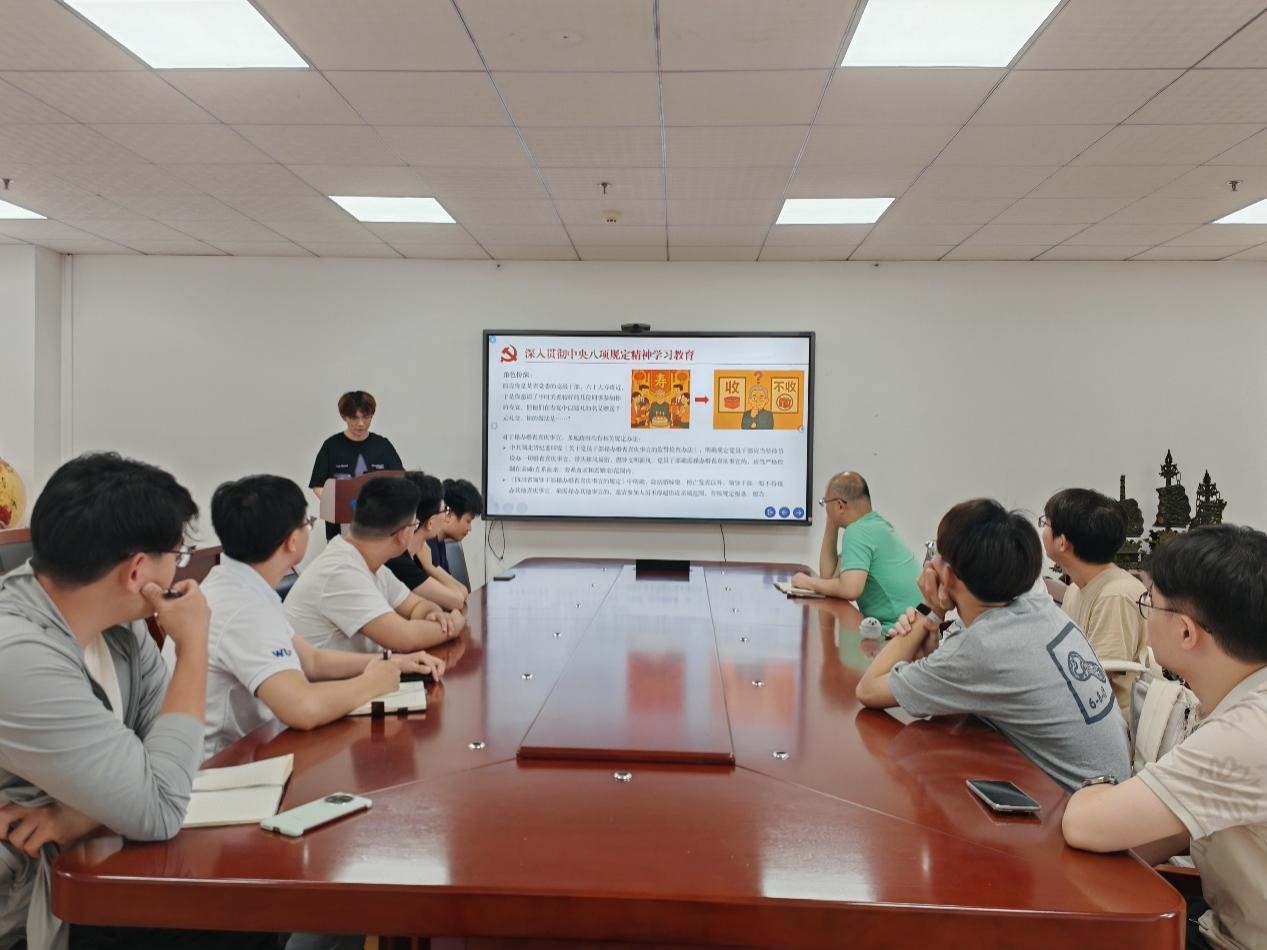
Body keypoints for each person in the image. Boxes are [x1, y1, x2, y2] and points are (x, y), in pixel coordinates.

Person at [0, 453, 273, 950]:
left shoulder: (121, 627)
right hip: (28, 912)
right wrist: (193, 646)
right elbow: (161, 806)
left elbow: (166, 762)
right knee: (236, 925)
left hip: (87, 866)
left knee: (249, 913)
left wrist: (77, 816)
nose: (179, 569)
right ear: (137, 571)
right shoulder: (17, 656)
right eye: (178, 554)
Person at [1063, 525, 1267, 950]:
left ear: (1187, 632)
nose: (1146, 614)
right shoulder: (1243, 703)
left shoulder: (1245, 733)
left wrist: (1097, 790)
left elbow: (1084, 824)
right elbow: (1181, 823)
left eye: (1149, 603)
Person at [855, 498, 1130, 792]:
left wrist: (929, 609)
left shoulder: (983, 647)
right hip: (1115, 787)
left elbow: (867, 689)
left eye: (935, 553)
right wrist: (930, 623)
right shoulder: (1036, 605)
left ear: (947, 574)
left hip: (1077, 806)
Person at [201, 474, 446, 760]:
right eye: (308, 523)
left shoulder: (242, 587)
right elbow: (302, 708)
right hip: (223, 767)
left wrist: (393, 662)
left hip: (258, 747)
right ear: (292, 541)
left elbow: (312, 661)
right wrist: (372, 682)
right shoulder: (241, 608)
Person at [285, 477, 464, 655]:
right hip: (333, 675)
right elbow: (405, 638)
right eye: (414, 524)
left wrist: (433, 614)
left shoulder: (372, 565)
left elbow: (417, 605)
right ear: (403, 534)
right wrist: (454, 624)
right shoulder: (342, 571)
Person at [1042, 488, 1148, 713]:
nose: (1043, 529)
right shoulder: (1076, 588)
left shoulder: (1115, 595)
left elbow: (1096, 680)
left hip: (1116, 723)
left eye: (1046, 523)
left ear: (1062, 542)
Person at [791, 472, 921, 627]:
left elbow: (850, 589)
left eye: (824, 503)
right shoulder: (874, 525)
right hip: (917, 625)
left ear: (840, 505)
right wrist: (831, 524)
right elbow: (829, 578)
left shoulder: (858, 532)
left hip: (900, 629)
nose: (825, 508)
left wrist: (806, 581)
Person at [309, 391, 403, 541]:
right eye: (354, 418)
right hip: (340, 531)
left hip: (379, 529)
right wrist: (341, 503)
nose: (361, 423)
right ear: (344, 416)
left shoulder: (383, 446)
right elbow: (317, 485)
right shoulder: (331, 446)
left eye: (366, 417)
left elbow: (401, 481)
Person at [383, 473, 466, 612]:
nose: (447, 517)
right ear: (430, 522)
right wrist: (431, 567)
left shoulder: (419, 552)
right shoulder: (398, 561)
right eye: (445, 511)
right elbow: (457, 600)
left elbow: (462, 592)